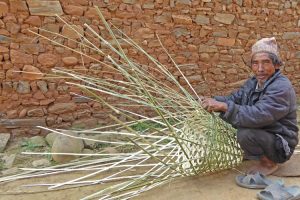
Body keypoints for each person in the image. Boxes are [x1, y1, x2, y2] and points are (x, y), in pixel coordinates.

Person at [201, 37, 299, 176]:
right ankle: (256, 154)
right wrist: (213, 100)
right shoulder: (253, 82)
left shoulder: (281, 87)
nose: (260, 69)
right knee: (235, 121)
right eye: (255, 63)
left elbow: (259, 115)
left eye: (265, 63)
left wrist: (224, 107)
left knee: (245, 134)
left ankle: (269, 162)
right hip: (266, 133)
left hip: (281, 144)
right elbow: (235, 99)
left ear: (276, 65)